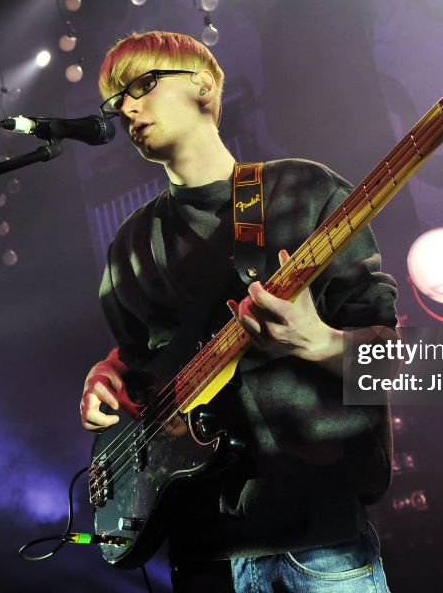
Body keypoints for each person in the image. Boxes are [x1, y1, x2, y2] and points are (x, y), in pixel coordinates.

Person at [79, 31, 398, 592]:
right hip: (201, 551)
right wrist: (107, 375)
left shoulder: (303, 190)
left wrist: (316, 340)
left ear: (203, 85)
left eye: (144, 85)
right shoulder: (129, 244)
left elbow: (397, 362)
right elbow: (136, 363)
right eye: (117, 100)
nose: (127, 107)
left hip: (318, 539)